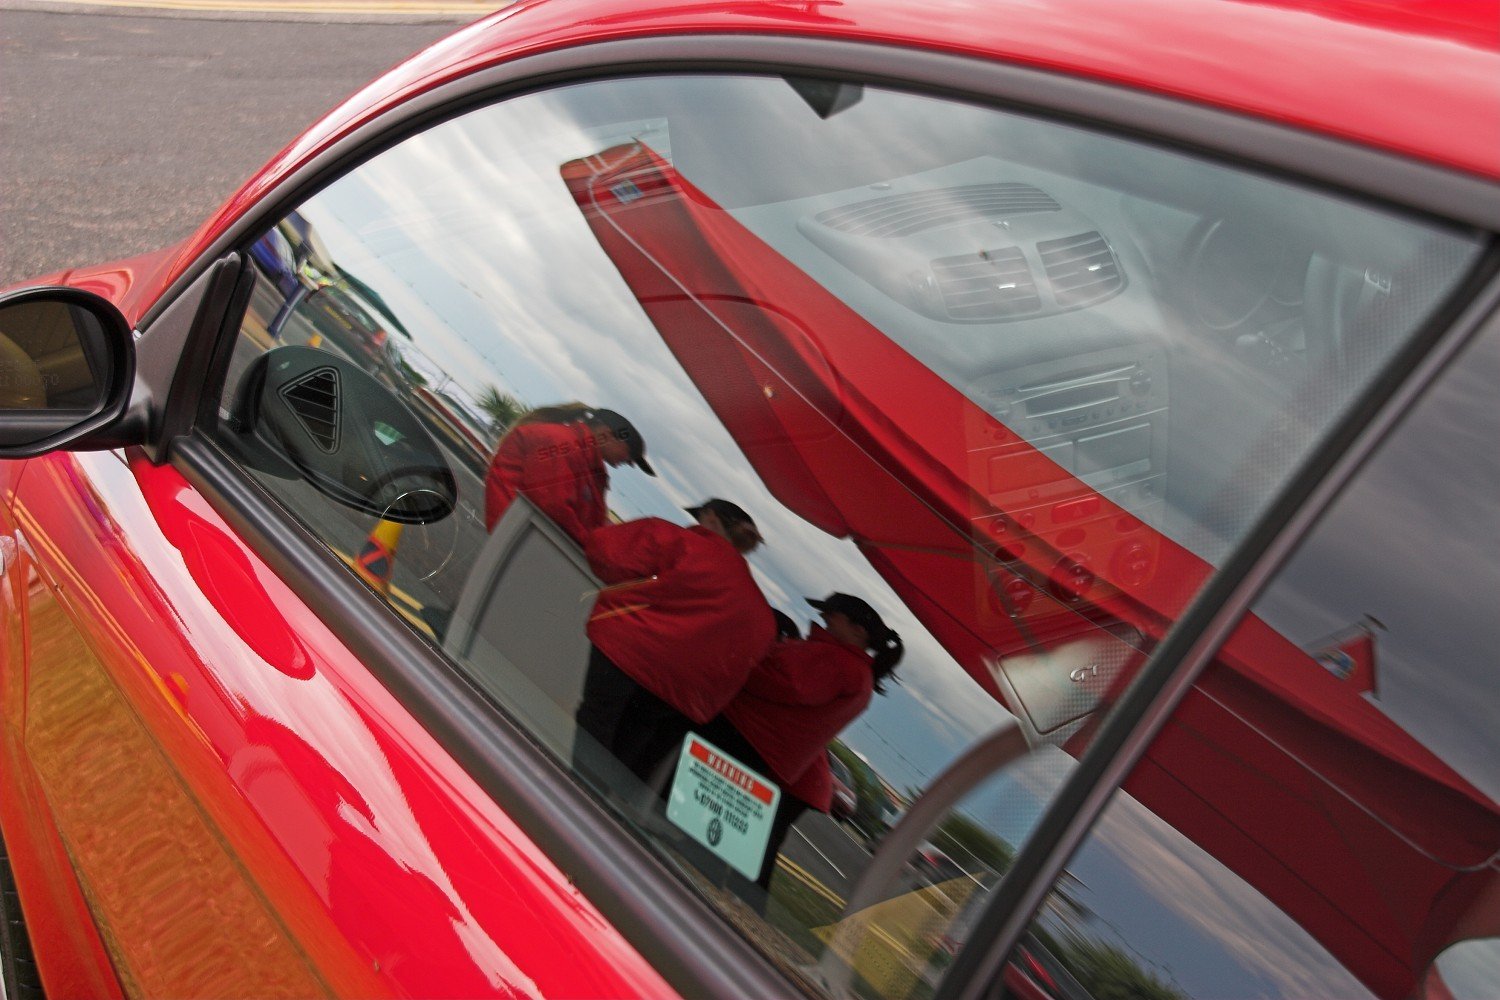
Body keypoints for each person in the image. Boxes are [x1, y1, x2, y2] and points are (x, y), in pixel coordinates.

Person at [696, 592, 903, 896]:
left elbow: (784, 686)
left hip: (745, 740)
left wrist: (744, 660)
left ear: (858, 630)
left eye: (832, 615)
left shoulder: (840, 663)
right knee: (737, 847)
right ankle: (730, 902)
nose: (824, 619)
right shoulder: (853, 671)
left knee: (711, 833)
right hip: (761, 751)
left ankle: (719, 896)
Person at [574, 499, 776, 785]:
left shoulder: (680, 543)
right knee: (627, 752)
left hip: (625, 654)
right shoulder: (761, 614)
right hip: (676, 694)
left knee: (594, 727)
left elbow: (603, 551)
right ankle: (599, 807)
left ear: (711, 517)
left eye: (699, 518)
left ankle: (575, 797)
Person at [482, 403, 655, 542]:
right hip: (515, 540)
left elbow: (591, 521)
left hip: (525, 541)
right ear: (607, 434)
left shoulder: (587, 465)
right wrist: (593, 548)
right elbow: (554, 507)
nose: (629, 462)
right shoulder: (560, 444)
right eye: (630, 454)